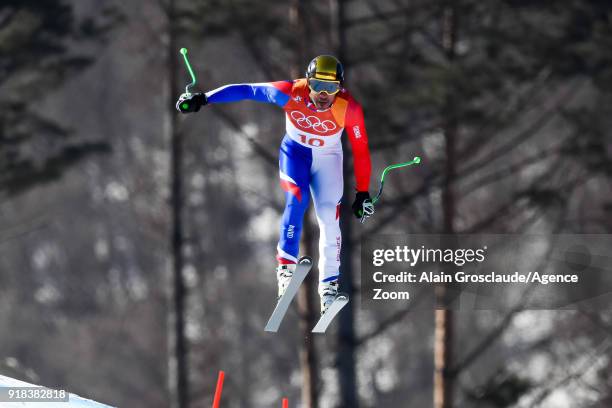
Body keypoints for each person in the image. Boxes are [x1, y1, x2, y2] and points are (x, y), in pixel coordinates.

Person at [176, 55, 374, 314]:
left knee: (329, 215)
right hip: (296, 154)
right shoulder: (291, 92)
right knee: (297, 201)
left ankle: (328, 285)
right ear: (308, 82)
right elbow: (248, 90)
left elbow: (361, 151)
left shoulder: (349, 108)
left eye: (332, 88)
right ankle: (286, 269)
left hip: (329, 159)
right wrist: (204, 98)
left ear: (341, 88)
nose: (324, 94)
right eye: (317, 86)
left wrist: (362, 193)